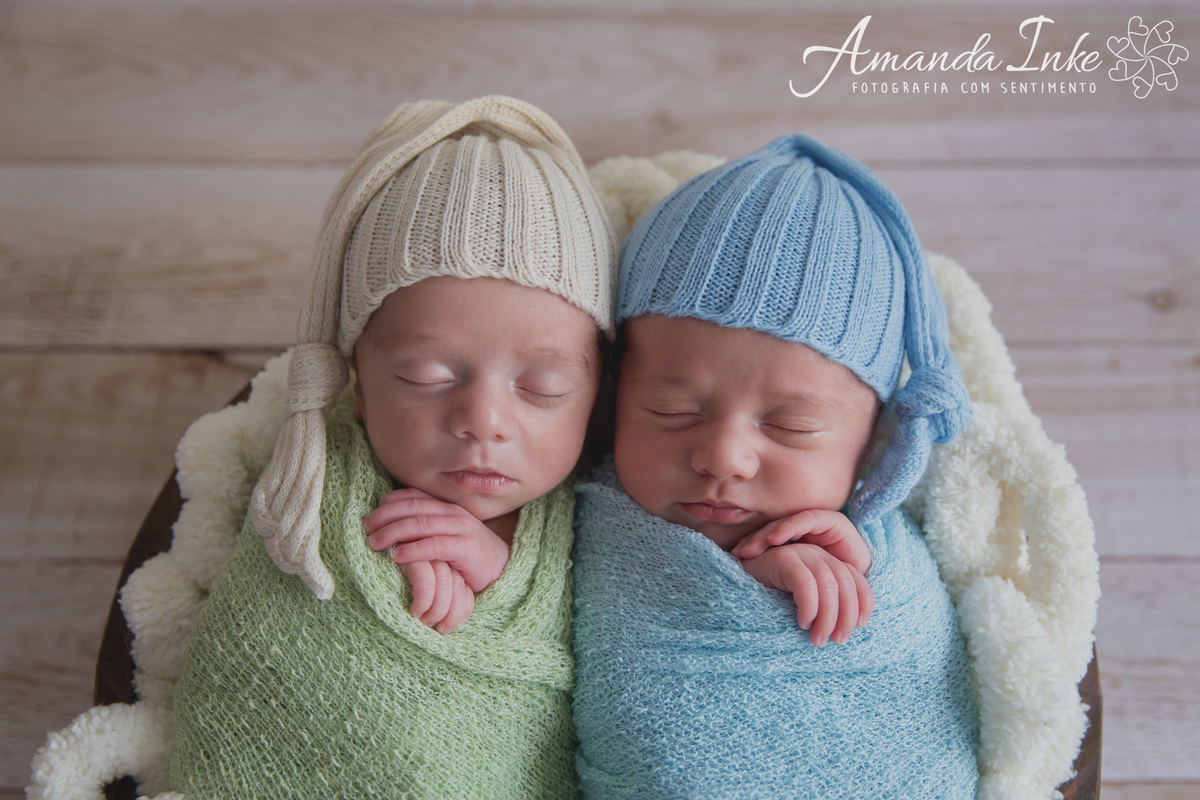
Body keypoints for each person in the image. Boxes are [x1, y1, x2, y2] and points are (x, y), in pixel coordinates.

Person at [169, 95, 615, 799]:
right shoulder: (314, 490)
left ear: (599, 393)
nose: (483, 421)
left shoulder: (609, 510)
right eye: (426, 377)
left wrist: (497, 574)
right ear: (357, 382)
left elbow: (621, 662)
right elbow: (258, 665)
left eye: (543, 387)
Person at [570, 135, 981, 798]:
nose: (722, 457)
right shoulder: (580, 509)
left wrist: (858, 574)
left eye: (791, 427)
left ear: (874, 443)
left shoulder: (885, 550)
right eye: (673, 410)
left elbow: (917, 687)